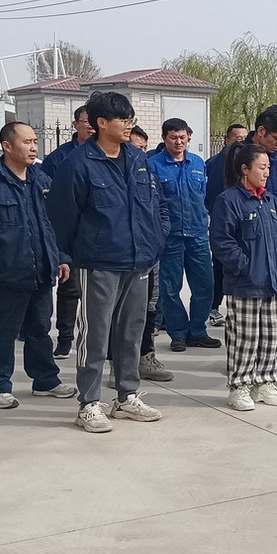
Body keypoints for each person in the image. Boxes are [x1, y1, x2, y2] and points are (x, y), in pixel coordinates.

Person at [48, 91, 170, 433]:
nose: (129, 125)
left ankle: (127, 396)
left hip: (139, 260)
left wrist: (156, 239)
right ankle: (88, 403)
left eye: (131, 119)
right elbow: (61, 216)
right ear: (101, 123)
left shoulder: (139, 159)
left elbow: (158, 204)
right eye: (123, 120)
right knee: (95, 334)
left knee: (132, 332)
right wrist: (70, 255)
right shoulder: (78, 164)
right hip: (99, 262)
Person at [0, 122, 78, 408]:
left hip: (41, 269)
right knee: (2, 331)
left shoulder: (41, 179)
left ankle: (45, 380)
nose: (33, 147)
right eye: (26, 142)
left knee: (40, 327)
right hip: (6, 273)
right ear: (7, 146)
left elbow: (54, 223)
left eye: (35, 142)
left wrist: (61, 257)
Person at [209, 144, 277, 411]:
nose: (267, 173)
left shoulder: (270, 201)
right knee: (245, 338)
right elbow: (222, 241)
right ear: (245, 170)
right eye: (262, 167)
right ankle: (240, 386)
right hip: (244, 283)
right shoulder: (229, 200)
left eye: (268, 167)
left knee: (270, 337)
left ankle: (265, 382)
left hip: (272, 282)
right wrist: (244, 266)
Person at [149, 118, 219, 353]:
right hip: (171, 237)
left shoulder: (198, 163)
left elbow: (203, 197)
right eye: (173, 137)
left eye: (182, 137)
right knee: (170, 288)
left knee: (205, 285)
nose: (178, 142)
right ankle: (178, 333)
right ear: (164, 138)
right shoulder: (153, 165)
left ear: (189, 137)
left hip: (198, 235)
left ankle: (198, 331)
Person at [42, 104, 95, 359]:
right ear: (75, 125)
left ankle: (98, 342)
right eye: (86, 122)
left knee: (98, 294)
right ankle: (65, 339)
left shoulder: (106, 154)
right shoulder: (59, 158)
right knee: (69, 289)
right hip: (70, 235)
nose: (91, 126)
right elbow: (48, 199)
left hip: (98, 235)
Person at [124, 128, 173, 383]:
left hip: (150, 251)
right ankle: (117, 363)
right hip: (123, 254)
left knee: (149, 306)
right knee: (121, 311)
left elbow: (161, 207)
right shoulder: (114, 173)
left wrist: (159, 235)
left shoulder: (148, 173)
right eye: (136, 147)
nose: (141, 153)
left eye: (144, 148)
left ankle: (146, 357)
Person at [205, 123, 248, 327]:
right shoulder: (213, 164)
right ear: (227, 139)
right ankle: (214, 306)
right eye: (238, 138)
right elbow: (207, 195)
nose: (241, 142)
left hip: (244, 225)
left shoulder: (246, 164)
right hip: (222, 222)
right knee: (220, 267)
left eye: (244, 138)